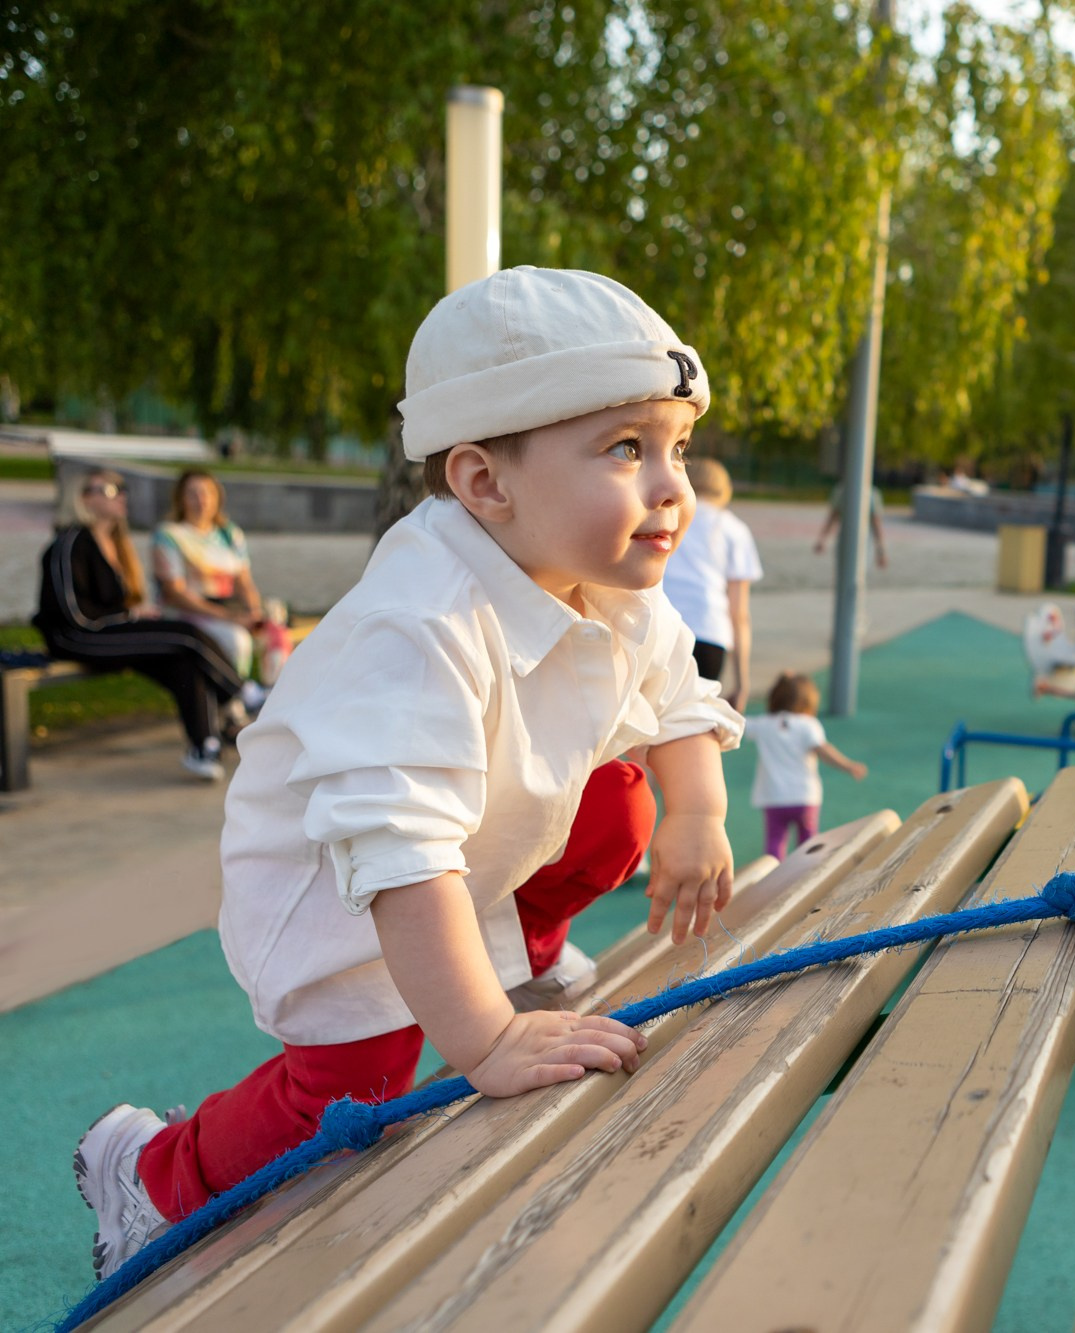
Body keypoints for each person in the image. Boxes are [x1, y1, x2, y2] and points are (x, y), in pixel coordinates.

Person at [71, 266, 745, 1282]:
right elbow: (395, 853)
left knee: (624, 800)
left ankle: (520, 947)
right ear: (484, 484)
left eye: (675, 447)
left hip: (469, 840)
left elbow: (678, 695)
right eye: (624, 449)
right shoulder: (419, 621)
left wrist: (697, 810)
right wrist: (483, 1042)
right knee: (358, 1091)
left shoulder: (605, 585)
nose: (670, 487)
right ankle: (155, 1174)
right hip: (340, 876)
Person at [33, 468, 248, 781]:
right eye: (108, 490)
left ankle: (205, 747)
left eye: (122, 489)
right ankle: (243, 694)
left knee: (183, 660)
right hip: (77, 637)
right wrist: (128, 617)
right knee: (185, 636)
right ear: (84, 499)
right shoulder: (69, 544)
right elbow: (75, 614)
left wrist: (133, 614)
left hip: (105, 632)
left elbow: (117, 606)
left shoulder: (114, 543)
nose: (120, 496)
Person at [152, 468, 281, 695]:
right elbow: (175, 593)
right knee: (236, 640)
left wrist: (253, 611)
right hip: (190, 613)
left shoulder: (229, 534)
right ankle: (234, 704)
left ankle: (273, 698)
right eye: (193, 493)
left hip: (229, 609)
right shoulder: (170, 535)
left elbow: (244, 581)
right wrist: (230, 617)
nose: (201, 500)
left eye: (207, 493)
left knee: (275, 634)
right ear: (181, 498)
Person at [661, 458, 763, 709]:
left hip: (664, 628)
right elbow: (739, 614)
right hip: (710, 632)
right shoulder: (734, 530)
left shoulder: (669, 517)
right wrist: (742, 682)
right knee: (694, 721)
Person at [742, 671, 866, 859]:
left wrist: (737, 697)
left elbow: (736, 723)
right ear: (808, 701)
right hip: (804, 796)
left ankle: (772, 881)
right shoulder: (808, 724)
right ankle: (807, 877)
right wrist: (847, 765)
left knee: (774, 843)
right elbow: (823, 750)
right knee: (808, 844)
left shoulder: (763, 724)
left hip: (773, 797)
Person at [813, 479, 889, 569]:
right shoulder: (844, 491)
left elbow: (876, 523)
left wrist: (881, 551)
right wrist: (822, 539)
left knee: (854, 569)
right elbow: (833, 517)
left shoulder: (870, 493)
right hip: (848, 539)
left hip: (862, 541)